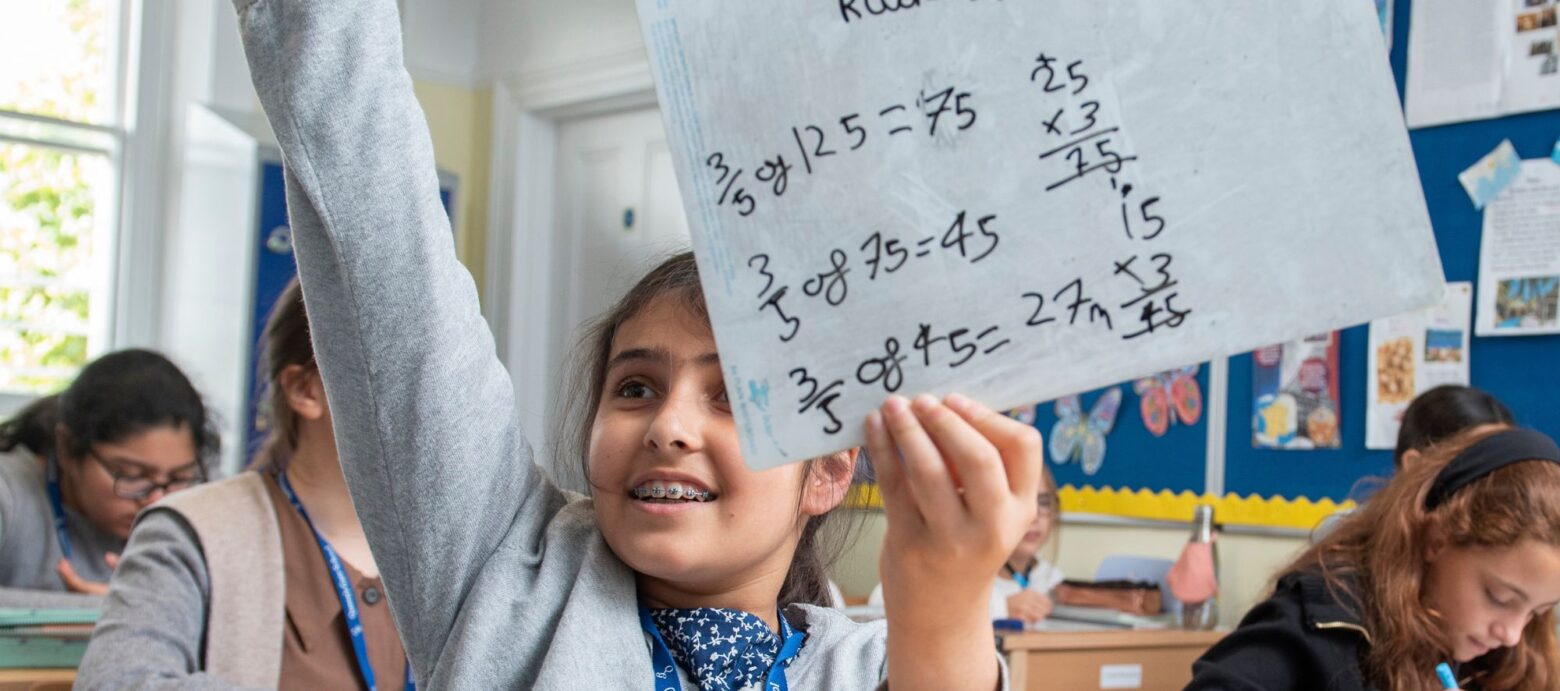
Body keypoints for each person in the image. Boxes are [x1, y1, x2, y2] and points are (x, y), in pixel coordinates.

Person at [224, 1, 1042, 689]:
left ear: (827, 471)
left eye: (734, 396)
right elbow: (381, 233)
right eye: (635, 388)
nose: (669, 426)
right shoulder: (502, 580)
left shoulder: (880, 666)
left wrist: (943, 600)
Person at [78, 279, 413, 689]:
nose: (432, 402)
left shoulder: (453, 548)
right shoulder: (191, 533)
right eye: (404, 372)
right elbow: (115, 683)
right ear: (305, 389)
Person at [1188, 426, 1560, 691]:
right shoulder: (1326, 622)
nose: (1512, 634)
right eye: (1499, 597)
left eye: (1537, 611)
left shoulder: (1506, 656)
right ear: (1437, 539)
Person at [0, 349, 215, 606]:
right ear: (67, 448)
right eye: (131, 475)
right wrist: (115, 608)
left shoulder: (202, 509)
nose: (156, 500)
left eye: (179, 477)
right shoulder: (9, 494)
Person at [868, 464, 1064, 624]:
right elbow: (880, 601)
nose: (1034, 516)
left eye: (1044, 501)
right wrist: (1001, 608)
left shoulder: (1050, 579)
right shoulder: (957, 567)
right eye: (1019, 501)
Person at [1313, 385, 1513, 540]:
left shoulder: (1503, 538)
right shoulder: (1341, 540)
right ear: (1415, 465)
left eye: (1505, 463)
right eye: (1477, 464)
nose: (1495, 481)